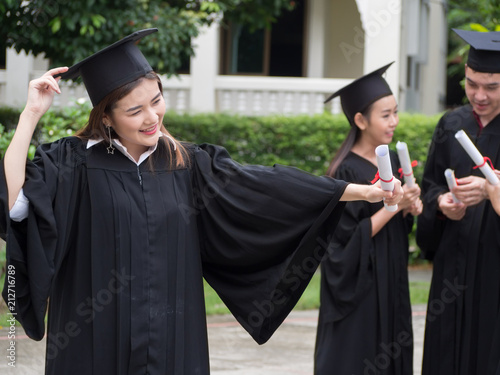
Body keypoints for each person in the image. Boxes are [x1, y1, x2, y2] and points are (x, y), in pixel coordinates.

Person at [0, 29, 403, 375]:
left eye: (156, 100)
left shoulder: (186, 163)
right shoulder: (74, 164)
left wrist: (361, 192)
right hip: (96, 342)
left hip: (174, 341)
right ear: (106, 117)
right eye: (135, 110)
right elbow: (17, 202)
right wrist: (31, 114)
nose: (152, 117)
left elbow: (266, 186)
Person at [314, 63, 422, 375]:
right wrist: (392, 209)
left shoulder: (388, 164)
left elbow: (398, 225)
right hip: (361, 284)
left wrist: (410, 208)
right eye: (385, 115)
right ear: (360, 120)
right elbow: (343, 244)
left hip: (391, 273)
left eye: (395, 112)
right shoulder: (346, 172)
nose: (394, 122)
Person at [417, 29, 500, 375]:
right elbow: (430, 186)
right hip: (452, 261)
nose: (479, 95)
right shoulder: (450, 124)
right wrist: (441, 205)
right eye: (471, 83)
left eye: (492, 87)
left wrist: (489, 190)